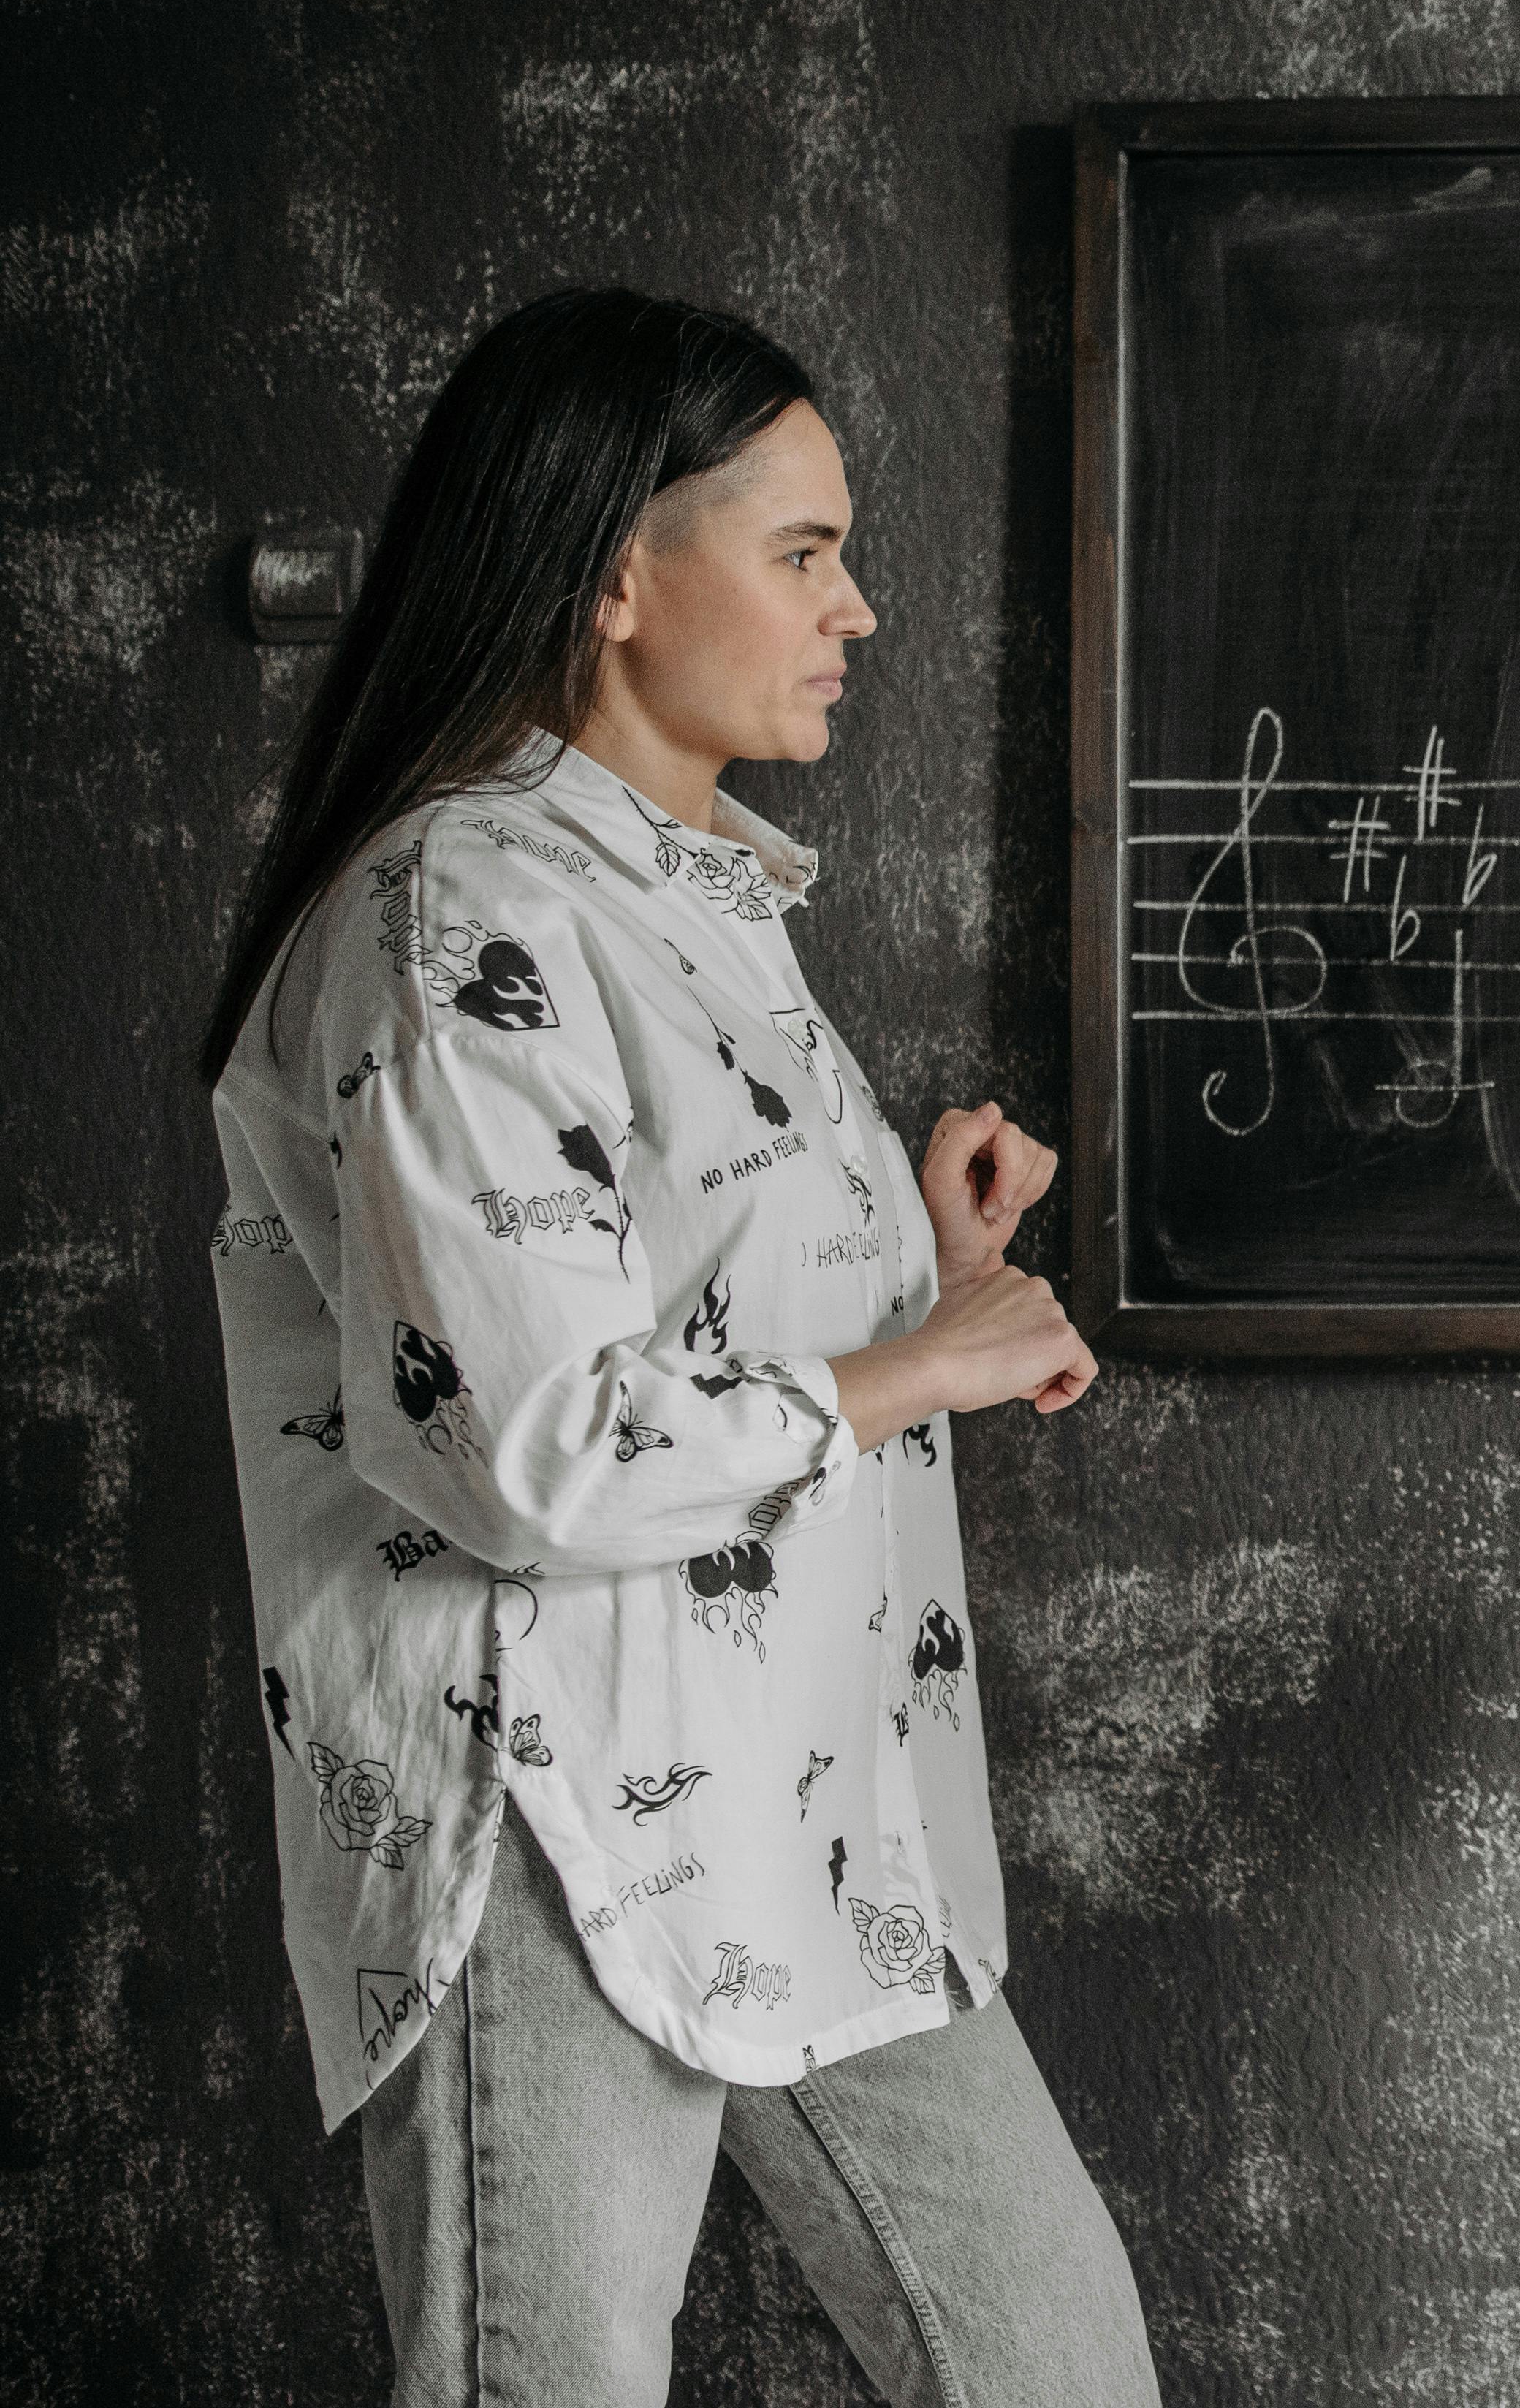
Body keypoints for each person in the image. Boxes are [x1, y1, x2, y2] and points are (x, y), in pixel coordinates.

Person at [197, 286, 1159, 2405]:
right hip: (549, 1829)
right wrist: (920, 1367)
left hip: (811, 1801)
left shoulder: (691, 901)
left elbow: (653, 1328)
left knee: (1059, 2368)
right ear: (619, 574)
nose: (861, 608)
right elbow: (525, 1442)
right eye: (804, 552)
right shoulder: (456, 913)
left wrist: (910, 1265)